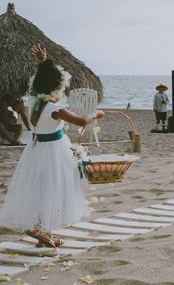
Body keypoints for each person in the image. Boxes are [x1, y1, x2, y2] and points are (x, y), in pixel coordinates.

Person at [0, 45, 104, 248]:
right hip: (54, 153)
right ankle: (43, 230)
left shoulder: (36, 103)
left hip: (37, 151)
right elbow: (82, 121)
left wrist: (43, 63)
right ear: (56, 89)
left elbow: (41, 83)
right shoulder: (56, 109)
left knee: (43, 189)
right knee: (54, 189)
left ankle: (42, 229)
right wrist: (97, 114)